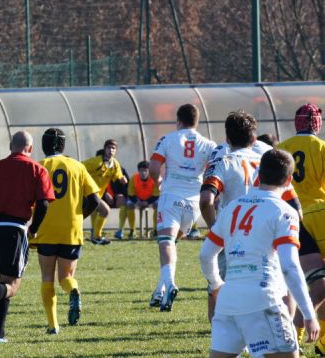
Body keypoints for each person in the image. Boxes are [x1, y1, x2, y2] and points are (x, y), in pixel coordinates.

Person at [199, 149, 319, 357]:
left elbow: (205, 255)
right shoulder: (284, 212)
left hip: (228, 303)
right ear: (289, 180)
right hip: (264, 300)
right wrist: (309, 313)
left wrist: (217, 284)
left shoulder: (232, 207)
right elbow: (289, 266)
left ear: (258, 174)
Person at [0, 130, 55, 344]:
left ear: (10, 147)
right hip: (14, 227)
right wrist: (34, 227)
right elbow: (44, 203)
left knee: (3, 280)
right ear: (30, 149)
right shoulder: (37, 169)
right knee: (13, 285)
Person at [30, 128, 105, 334]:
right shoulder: (77, 166)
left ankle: (53, 325)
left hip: (46, 228)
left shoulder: (39, 167)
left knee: (47, 277)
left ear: (43, 146)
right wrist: (79, 216)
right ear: (63, 146)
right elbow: (95, 200)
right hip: (72, 228)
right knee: (65, 276)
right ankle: (73, 289)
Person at [149, 103, 216, 311]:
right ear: (197, 122)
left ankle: (169, 284)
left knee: (166, 243)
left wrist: (158, 182)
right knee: (172, 244)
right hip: (194, 202)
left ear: (178, 120)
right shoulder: (209, 144)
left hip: (171, 196)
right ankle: (160, 291)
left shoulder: (169, 139)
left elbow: (153, 168)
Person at [277, 103, 325, 352]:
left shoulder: (281, 148)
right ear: (317, 124)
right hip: (319, 214)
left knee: (302, 281)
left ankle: (292, 337)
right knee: (321, 285)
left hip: (289, 218)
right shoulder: (321, 147)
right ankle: (322, 342)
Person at [82, 140, 128, 245]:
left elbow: (118, 175)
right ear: (105, 149)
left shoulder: (115, 164)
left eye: (113, 148)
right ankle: (93, 236)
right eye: (109, 148)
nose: (111, 150)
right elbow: (79, 167)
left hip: (95, 195)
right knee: (83, 214)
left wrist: (122, 179)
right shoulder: (96, 162)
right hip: (85, 194)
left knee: (103, 211)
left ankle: (96, 236)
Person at [121, 161, 159, 239]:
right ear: (138, 171)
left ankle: (155, 230)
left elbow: (156, 195)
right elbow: (130, 193)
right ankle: (132, 230)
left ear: (149, 171)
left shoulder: (154, 179)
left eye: (145, 171)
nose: (143, 173)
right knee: (129, 204)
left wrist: (147, 202)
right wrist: (137, 201)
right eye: (141, 170)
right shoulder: (134, 178)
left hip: (150, 200)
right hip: (137, 200)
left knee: (158, 205)